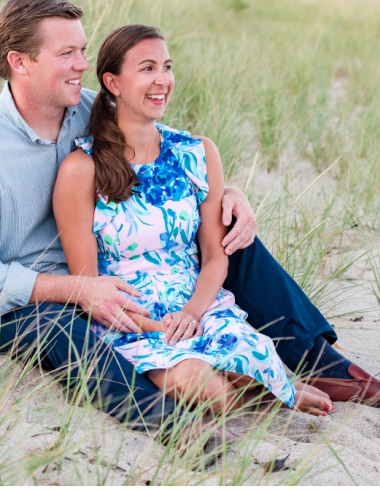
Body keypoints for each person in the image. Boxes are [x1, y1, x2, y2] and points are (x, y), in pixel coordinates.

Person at [0, 0, 380, 436]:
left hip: (109, 274)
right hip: (19, 302)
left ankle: (324, 365)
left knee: (230, 239)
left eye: (83, 51)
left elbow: (167, 157)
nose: (82, 64)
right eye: (67, 55)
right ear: (19, 62)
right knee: (67, 330)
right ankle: (169, 420)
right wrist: (76, 289)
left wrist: (228, 192)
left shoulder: (89, 109)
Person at [54, 25, 335, 417]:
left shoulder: (197, 152)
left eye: (167, 67)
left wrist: (192, 314)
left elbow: (215, 256)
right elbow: (89, 288)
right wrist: (161, 328)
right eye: (148, 68)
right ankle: (276, 393)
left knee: (249, 356)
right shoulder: (81, 169)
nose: (162, 81)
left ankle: (272, 382)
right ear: (112, 82)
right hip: (132, 320)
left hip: (198, 305)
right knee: (205, 388)